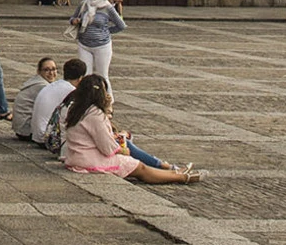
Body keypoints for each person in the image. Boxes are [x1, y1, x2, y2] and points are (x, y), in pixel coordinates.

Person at [60, 75, 202, 183]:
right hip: (89, 160)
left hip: (77, 156)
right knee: (139, 167)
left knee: (137, 165)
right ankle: (180, 176)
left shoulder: (77, 109)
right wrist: (121, 150)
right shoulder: (95, 114)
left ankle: (175, 173)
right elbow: (106, 146)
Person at [70, 0, 126, 86]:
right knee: (85, 75)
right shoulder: (84, 4)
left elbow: (121, 25)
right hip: (84, 44)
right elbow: (72, 18)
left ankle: (106, 100)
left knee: (102, 76)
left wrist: (106, 32)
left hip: (102, 46)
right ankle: (86, 100)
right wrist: (74, 21)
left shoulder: (107, 7)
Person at [31, 56, 87, 149]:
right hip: (49, 138)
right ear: (81, 78)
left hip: (37, 135)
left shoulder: (55, 85)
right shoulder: (71, 91)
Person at [11, 56, 59, 137]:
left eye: (53, 69)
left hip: (21, 128)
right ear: (39, 71)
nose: (51, 73)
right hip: (27, 129)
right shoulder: (42, 86)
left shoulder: (36, 81)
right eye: (46, 70)